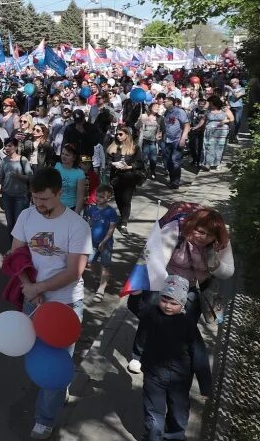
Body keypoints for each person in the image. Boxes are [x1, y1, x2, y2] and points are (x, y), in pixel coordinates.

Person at [10, 167, 92, 440]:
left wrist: (40, 287)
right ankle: (57, 387)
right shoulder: (26, 215)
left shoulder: (77, 226)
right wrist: (27, 286)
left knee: (56, 362)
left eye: (44, 199)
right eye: (35, 198)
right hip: (33, 300)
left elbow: (74, 271)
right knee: (38, 359)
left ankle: (44, 418)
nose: (38, 204)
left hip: (65, 305)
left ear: (60, 193)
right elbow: (16, 254)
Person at [127, 207, 234, 375]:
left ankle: (169, 355)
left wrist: (212, 258)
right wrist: (145, 288)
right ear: (192, 225)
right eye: (199, 231)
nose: (203, 237)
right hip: (165, 280)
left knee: (186, 322)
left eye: (209, 235)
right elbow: (156, 260)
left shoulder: (220, 241)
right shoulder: (175, 230)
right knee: (151, 315)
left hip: (194, 286)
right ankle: (139, 354)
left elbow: (228, 272)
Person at [128, 275, 212, 441]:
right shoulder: (151, 313)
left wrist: (205, 386)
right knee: (153, 412)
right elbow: (136, 307)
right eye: (164, 300)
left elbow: (199, 355)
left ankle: (174, 436)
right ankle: (153, 436)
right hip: (153, 374)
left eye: (173, 303)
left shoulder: (188, 324)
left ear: (182, 304)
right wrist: (135, 294)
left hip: (179, 378)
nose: (167, 306)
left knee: (179, 413)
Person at [106, 126, 146, 233]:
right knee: (119, 199)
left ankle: (124, 223)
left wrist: (128, 167)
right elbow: (108, 160)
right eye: (117, 134)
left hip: (129, 178)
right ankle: (123, 216)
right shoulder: (113, 147)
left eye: (120, 134)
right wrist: (114, 163)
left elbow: (140, 163)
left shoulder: (135, 147)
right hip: (115, 178)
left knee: (126, 200)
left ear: (126, 135)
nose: (118, 136)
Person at [84, 184, 119, 303]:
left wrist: (104, 241)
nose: (98, 198)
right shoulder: (92, 209)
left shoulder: (111, 212)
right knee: (90, 262)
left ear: (109, 198)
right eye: (98, 196)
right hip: (92, 242)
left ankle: (101, 289)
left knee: (105, 265)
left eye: (102, 197)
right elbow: (90, 222)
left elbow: (111, 229)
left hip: (106, 244)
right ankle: (101, 278)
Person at [0, 138, 34, 234]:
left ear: (16, 147)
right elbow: (0, 178)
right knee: (10, 223)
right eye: (5, 146)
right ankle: (12, 246)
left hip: (21, 197)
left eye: (10, 146)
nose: (7, 148)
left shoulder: (23, 160)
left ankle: (19, 246)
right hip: (7, 196)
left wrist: (19, 176)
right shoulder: (4, 160)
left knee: (19, 223)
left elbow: (30, 177)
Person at [160, 94, 190, 189]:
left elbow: (186, 125)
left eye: (165, 101)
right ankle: (172, 180)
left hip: (177, 139)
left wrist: (183, 138)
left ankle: (176, 182)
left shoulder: (179, 112)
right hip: (167, 140)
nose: (163, 103)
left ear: (171, 102)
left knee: (175, 160)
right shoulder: (166, 112)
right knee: (168, 161)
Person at [201, 95, 234, 171]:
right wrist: (196, 127)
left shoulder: (224, 109)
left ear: (215, 103)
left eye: (210, 103)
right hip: (210, 132)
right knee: (208, 146)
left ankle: (217, 164)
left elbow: (232, 119)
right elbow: (203, 120)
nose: (209, 104)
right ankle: (207, 164)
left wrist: (224, 121)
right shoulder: (208, 110)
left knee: (219, 147)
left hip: (221, 132)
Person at [54, 143, 86, 215]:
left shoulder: (80, 173)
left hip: (70, 208)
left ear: (74, 157)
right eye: (63, 154)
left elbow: (80, 197)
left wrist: (76, 214)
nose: (64, 156)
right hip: (55, 206)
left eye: (67, 155)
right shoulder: (56, 166)